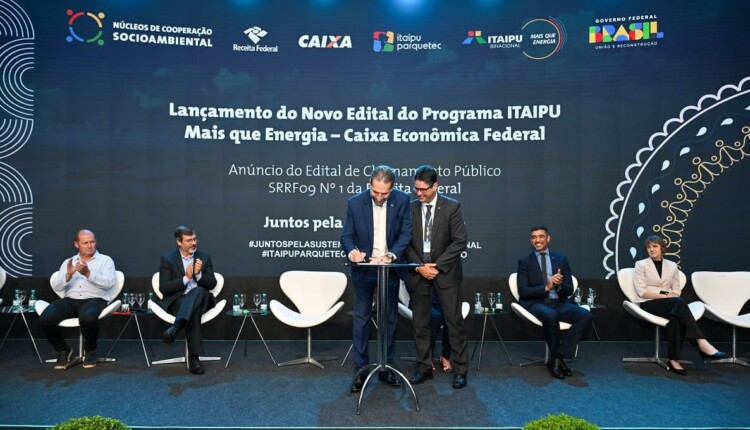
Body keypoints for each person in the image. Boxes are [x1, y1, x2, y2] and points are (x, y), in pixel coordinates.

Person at [341, 165, 412, 393]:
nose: (380, 197)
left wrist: (391, 256)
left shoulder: (402, 200)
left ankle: (387, 367)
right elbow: (346, 236)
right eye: (376, 192)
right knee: (361, 319)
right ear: (369, 184)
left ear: (393, 189)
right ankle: (360, 370)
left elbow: (405, 235)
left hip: (388, 270)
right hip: (364, 271)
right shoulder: (355, 202)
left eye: (385, 193)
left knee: (389, 320)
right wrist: (351, 251)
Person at [404, 165, 469, 389]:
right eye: (416, 189)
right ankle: (423, 367)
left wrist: (437, 266)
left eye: (424, 189)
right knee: (420, 324)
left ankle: (460, 370)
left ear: (436, 186)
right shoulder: (409, 208)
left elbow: (460, 241)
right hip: (419, 275)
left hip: (446, 275)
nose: (419, 193)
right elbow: (405, 242)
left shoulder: (452, 207)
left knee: (454, 322)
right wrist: (420, 266)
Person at [633, 234, 726, 375]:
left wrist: (673, 295)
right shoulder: (641, 265)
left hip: (671, 304)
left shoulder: (672, 266)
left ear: (662, 248)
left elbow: (676, 289)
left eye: (655, 246)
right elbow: (642, 292)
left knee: (676, 317)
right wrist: (664, 295)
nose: (651, 250)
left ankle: (674, 360)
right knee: (679, 303)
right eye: (648, 247)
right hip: (649, 303)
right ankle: (701, 342)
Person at [516, 225, 592, 379]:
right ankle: (557, 360)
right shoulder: (524, 262)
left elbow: (569, 289)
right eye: (534, 237)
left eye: (541, 236)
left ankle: (557, 357)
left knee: (585, 315)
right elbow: (523, 291)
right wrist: (546, 286)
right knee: (550, 315)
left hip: (559, 301)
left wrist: (559, 284)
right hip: (536, 303)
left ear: (548, 238)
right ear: (531, 241)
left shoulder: (561, 259)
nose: (537, 240)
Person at [38, 229, 117, 369]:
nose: (90, 245)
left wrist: (88, 274)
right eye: (85, 242)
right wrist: (68, 275)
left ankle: (90, 350)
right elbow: (57, 285)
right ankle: (63, 349)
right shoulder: (68, 262)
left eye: (92, 242)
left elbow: (110, 283)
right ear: (76, 244)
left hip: (95, 299)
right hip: (70, 300)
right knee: (45, 318)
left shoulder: (105, 260)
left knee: (88, 317)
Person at [158, 225, 217, 375]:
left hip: (201, 299)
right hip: (177, 302)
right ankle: (194, 359)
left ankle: (176, 327)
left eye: (195, 239)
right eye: (189, 240)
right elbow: (164, 288)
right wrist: (187, 278)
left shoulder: (204, 257)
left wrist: (198, 276)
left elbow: (212, 283)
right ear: (179, 242)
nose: (193, 243)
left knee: (198, 291)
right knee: (193, 311)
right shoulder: (168, 259)